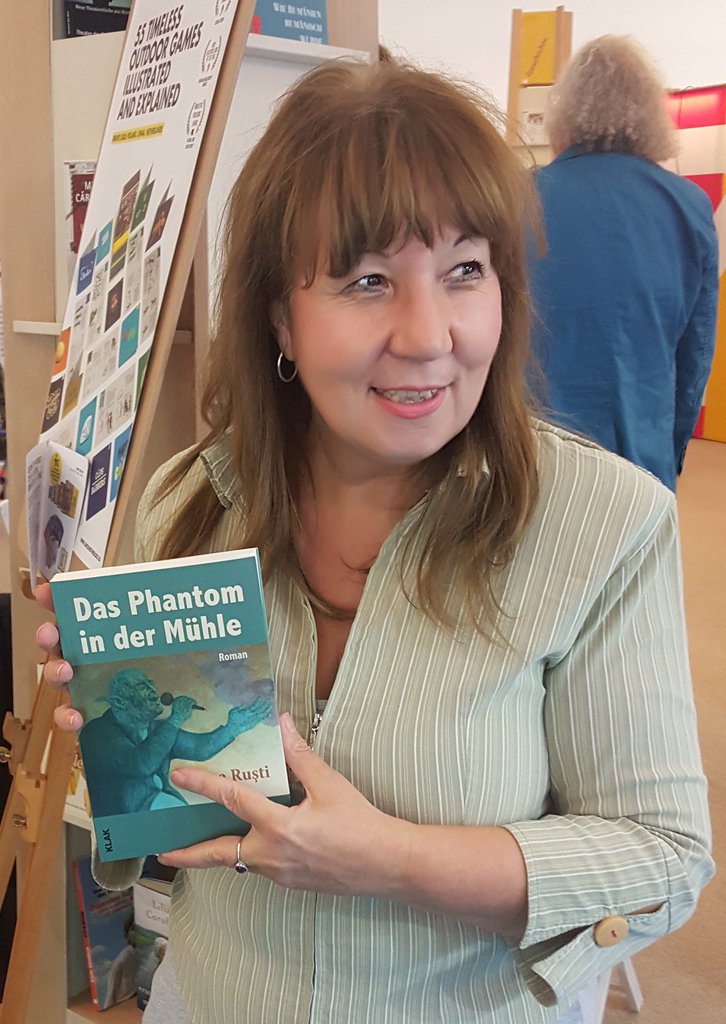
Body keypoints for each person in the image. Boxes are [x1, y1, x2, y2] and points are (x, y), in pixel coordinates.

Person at [36, 56, 713, 1024]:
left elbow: (663, 861)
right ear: (280, 315)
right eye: (367, 280)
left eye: (465, 270)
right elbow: (172, 822)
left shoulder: (605, 522)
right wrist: (118, 730)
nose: (428, 334)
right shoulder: (193, 497)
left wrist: (392, 860)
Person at [528, 35, 719, 490]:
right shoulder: (688, 205)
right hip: (640, 456)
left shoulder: (518, 198)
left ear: (565, 111)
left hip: (532, 456)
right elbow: (694, 354)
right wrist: (670, 450)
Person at [80, 667, 272, 816]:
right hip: (125, 823)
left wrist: (233, 728)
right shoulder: (97, 733)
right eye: (142, 687)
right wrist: (175, 719)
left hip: (160, 813)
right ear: (120, 702)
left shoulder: (157, 729)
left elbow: (198, 748)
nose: (153, 692)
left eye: (150, 684)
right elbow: (140, 764)